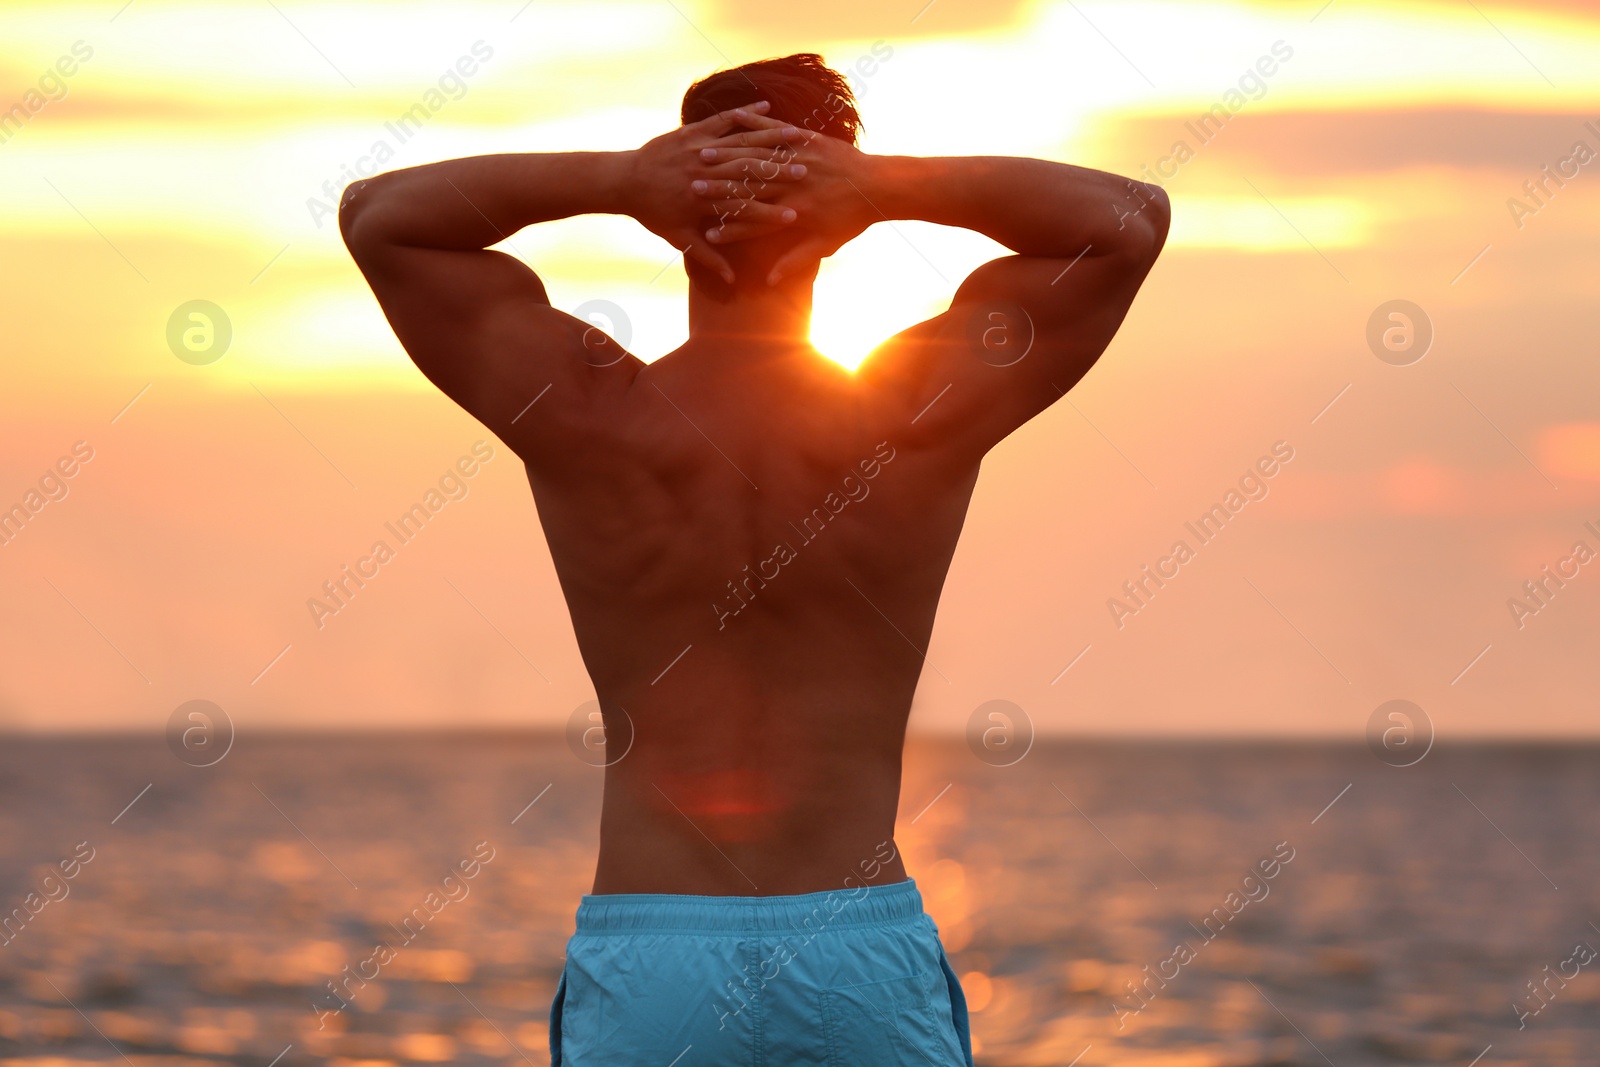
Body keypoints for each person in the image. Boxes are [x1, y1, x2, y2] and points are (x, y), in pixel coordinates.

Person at [340, 51, 1168, 1067]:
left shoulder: (587, 410)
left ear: (671, 202)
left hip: (654, 955)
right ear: (837, 210)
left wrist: (620, 181)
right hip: (855, 950)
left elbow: (380, 215)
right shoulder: (910, 411)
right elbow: (1128, 219)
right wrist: (882, 186)